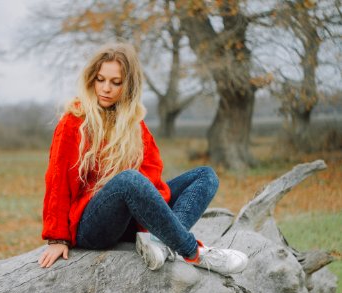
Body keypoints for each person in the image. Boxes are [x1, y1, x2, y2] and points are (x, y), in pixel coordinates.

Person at [37, 42, 248, 274]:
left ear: (128, 86)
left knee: (205, 176)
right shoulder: (73, 121)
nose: (105, 88)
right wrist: (57, 238)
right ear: (91, 80)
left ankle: (160, 245)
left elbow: (151, 177)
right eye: (100, 79)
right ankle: (194, 253)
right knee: (129, 180)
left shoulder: (135, 126)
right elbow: (57, 182)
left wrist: (152, 215)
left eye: (115, 82)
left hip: (130, 222)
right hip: (91, 226)